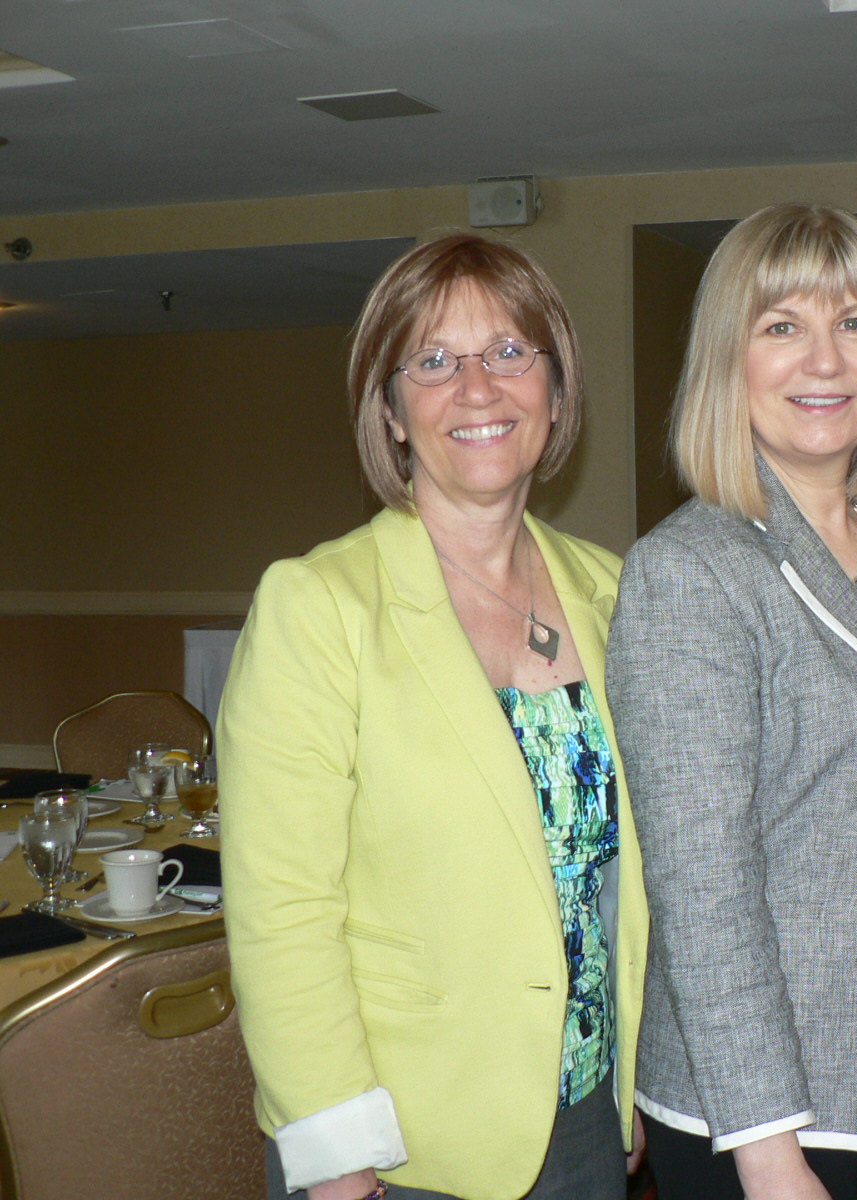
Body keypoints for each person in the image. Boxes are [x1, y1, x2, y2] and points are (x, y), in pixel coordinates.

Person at [218, 233, 648, 1200]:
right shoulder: (319, 605)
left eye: (507, 352)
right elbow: (283, 910)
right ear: (392, 410)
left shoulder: (615, 594)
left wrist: (627, 1087)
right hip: (401, 1142)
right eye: (435, 362)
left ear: (555, 384)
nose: (478, 389)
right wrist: (336, 1157)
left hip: (582, 1115)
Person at [606, 202, 857, 1200]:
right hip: (782, 1114)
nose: (825, 359)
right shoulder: (690, 570)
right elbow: (703, 886)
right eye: (782, 326)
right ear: (727, 361)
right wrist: (766, 1147)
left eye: (855, 322)